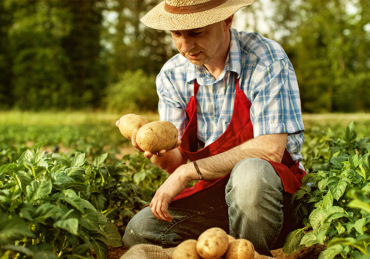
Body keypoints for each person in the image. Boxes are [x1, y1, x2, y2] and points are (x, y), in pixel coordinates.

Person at [120, 0, 306, 256]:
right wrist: (159, 155)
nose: (186, 47)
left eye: (197, 33)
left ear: (227, 20)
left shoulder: (265, 59)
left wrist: (189, 171)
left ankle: (250, 251)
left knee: (249, 175)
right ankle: (219, 246)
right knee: (140, 230)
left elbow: (270, 149)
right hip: (213, 195)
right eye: (177, 34)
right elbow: (176, 162)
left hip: (273, 195)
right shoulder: (171, 75)